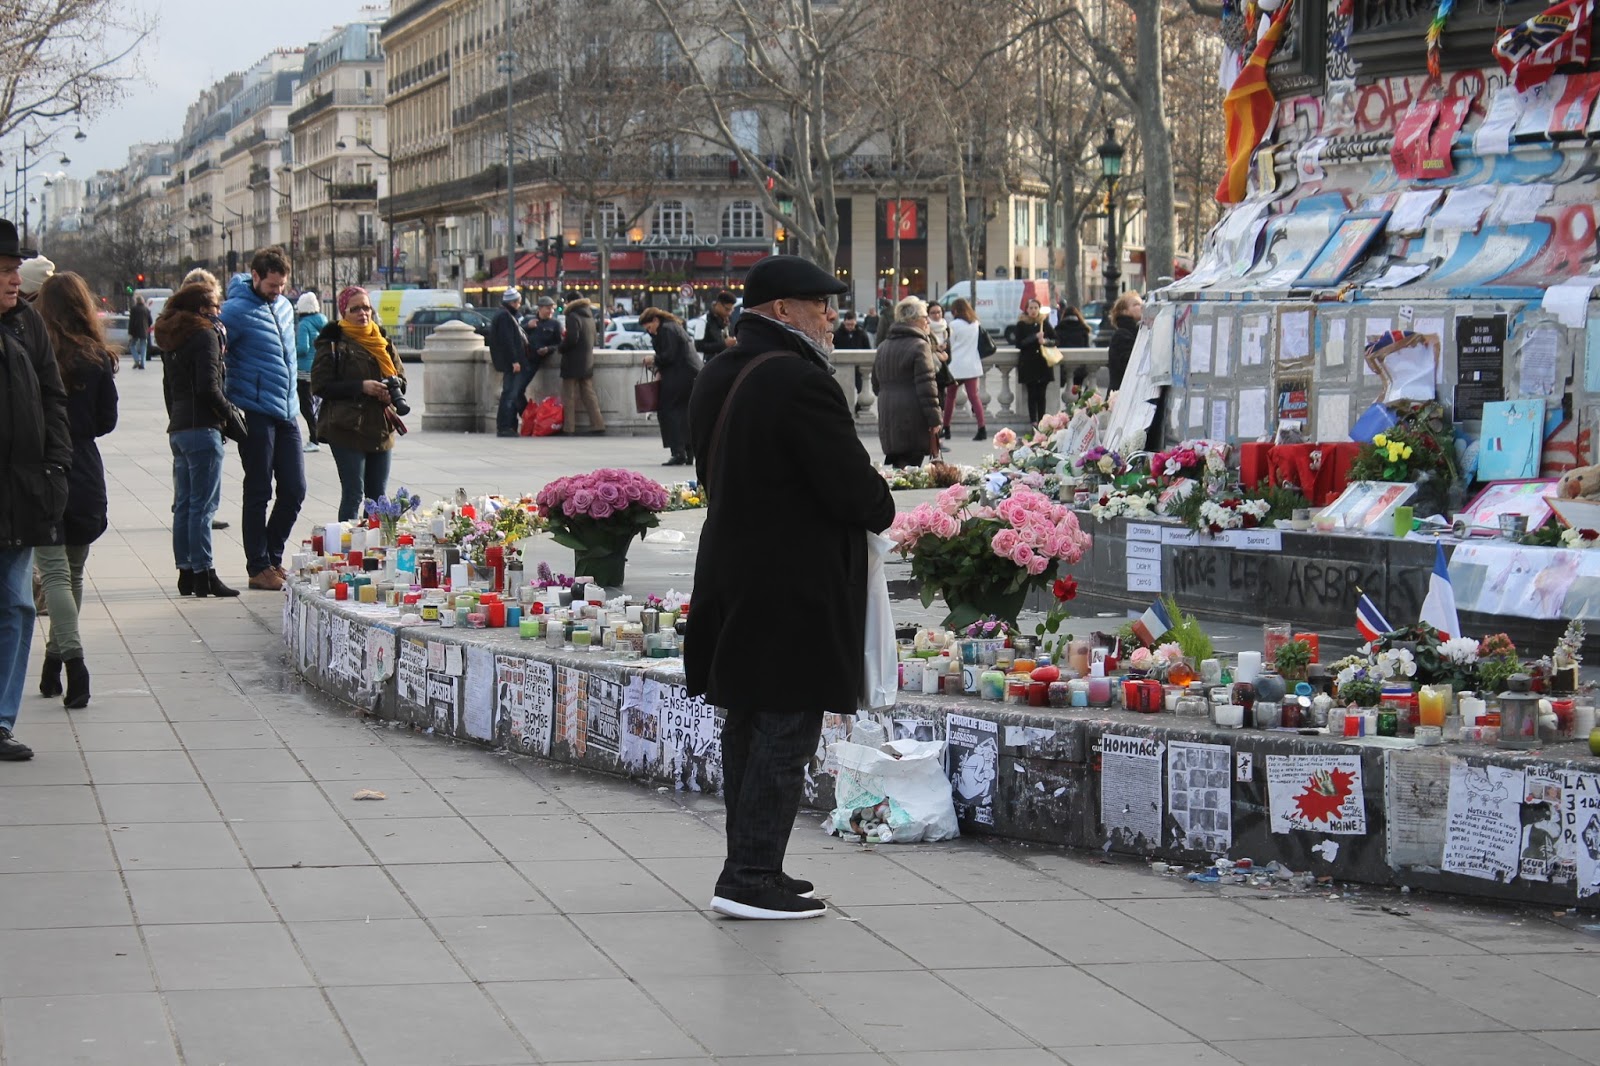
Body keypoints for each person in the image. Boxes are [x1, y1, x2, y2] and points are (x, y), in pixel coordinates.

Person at [687, 254, 895, 920]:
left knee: (749, 720)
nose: (832, 317)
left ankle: (752, 867)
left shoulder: (720, 370)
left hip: (733, 568)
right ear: (782, 310)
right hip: (792, 582)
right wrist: (882, 502)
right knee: (786, 726)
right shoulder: (799, 380)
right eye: (821, 305)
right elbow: (853, 488)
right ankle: (750, 877)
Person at [0, 219, 73, 761]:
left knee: (17, 605)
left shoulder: (28, 324)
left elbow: (53, 396)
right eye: (4, 271)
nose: (13, 280)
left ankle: (1, 721)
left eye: (13, 270)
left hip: (23, 490)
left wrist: (56, 468)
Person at [34, 272, 120, 709]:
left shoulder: (35, 353)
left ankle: (74, 665)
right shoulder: (96, 356)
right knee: (73, 573)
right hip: (84, 468)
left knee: (54, 575)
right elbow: (107, 420)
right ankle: (54, 666)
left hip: (43, 469)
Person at [220, 246, 304, 592]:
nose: (277, 291)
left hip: (287, 410)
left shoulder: (284, 306)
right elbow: (214, 352)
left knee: (295, 489)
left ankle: (272, 556)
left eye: (282, 285)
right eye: (271, 285)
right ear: (254, 276)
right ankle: (258, 566)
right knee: (258, 489)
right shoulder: (234, 311)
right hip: (254, 410)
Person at [158, 283, 239, 599]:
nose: (219, 312)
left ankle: (187, 573)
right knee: (203, 507)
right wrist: (230, 414)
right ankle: (205, 573)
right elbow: (209, 386)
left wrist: (177, 419)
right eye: (216, 306)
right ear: (203, 309)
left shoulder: (173, 336)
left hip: (179, 429)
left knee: (184, 505)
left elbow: (169, 388)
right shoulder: (205, 335)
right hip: (203, 427)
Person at [311, 287, 405, 521]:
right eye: (355, 309)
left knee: (378, 498)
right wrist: (361, 386)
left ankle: (374, 542)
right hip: (346, 427)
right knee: (354, 493)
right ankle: (346, 542)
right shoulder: (333, 343)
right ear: (344, 312)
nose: (363, 313)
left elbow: (401, 379)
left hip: (380, 427)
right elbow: (320, 385)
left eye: (366, 307)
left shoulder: (382, 340)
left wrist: (391, 392)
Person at [872, 297, 943, 467]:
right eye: (925, 317)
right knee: (911, 468)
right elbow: (927, 386)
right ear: (914, 319)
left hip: (888, 413)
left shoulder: (883, 346)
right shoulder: (919, 345)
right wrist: (935, 420)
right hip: (912, 415)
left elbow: (875, 385)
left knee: (899, 468)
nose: (928, 321)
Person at [639, 307, 701, 466]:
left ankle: (678, 452)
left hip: (679, 376)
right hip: (689, 375)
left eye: (649, 327)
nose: (650, 332)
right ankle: (689, 451)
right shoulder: (673, 327)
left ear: (655, 320)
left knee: (669, 412)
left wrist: (653, 359)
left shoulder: (666, 330)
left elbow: (668, 355)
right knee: (684, 413)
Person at [559, 295, 606, 435]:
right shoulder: (589, 316)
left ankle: (569, 428)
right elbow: (594, 339)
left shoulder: (572, 316)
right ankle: (598, 424)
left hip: (572, 361)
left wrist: (561, 347)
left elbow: (572, 338)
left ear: (570, 302)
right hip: (587, 361)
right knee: (589, 394)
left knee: (569, 395)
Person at [943, 296, 988, 441]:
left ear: (955, 310)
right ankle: (982, 428)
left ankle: (946, 427)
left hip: (956, 365)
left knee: (950, 397)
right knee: (974, 397)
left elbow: (950, 343)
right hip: (972, 365)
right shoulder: (975, 323)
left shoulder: (953, 325)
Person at [490, 288, 531, 437]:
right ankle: (505, 427)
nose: (519, 305)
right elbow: (507, 341)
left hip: (509, 361)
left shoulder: (503, 314)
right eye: (518, 302)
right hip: (511, 363)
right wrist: (514, 361)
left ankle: (510, 425)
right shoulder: (505, 316)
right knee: (509, 394)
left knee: (511, 393)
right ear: (513, 302)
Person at [294, 292, 327, 450]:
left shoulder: (304, 324)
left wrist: (290, 350)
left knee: (306, 406)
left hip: (304, 370)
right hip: (319, 367)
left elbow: (302, 348)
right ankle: (319, 435)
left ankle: (314, 439)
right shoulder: (323, 321)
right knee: (316, 404)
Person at [1014, 296, 1052, 424]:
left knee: (1042, 395)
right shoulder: (1021, 324)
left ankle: (1042, 421)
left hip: (1043, 363)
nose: (1033, 311)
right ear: (1026, 310)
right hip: (1028, 364)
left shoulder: (1044, 323)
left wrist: (1045, 341)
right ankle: (1033, 421)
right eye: (1031, 308)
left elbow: (1056, 339)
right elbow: (1019, 343)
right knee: (1032, 394)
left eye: (1036, 308)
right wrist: (1034, 337)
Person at [523, 295, 563, 411]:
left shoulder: (555, 324)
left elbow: (559, 344)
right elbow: (518, 333)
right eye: (548, 308)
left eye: (552, 309)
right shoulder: (529, 320)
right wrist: (527, 326)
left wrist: (548, 349)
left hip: (536, 361)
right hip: (524, 359)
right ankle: (525, 413)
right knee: (517, 390)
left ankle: (527, 414)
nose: (551, 311)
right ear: (540, 309)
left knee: (519, 388)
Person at [1106, 290, 1144, 392]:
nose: (1142, 306)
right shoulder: (1122, 335)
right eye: (1136, 304)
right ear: (1124, 311)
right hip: (1122, 393)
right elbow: (1131, 365)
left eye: (1142, 303)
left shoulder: (1139, 332)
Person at [1054, 303, 1092, 390]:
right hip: (1080, 365)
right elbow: (1086, 347)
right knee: (1076, 389)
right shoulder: (1083, 329)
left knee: (1068, 389)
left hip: (1063, 365)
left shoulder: (1059, 329)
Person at [695, 290, 737, 362]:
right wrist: (724, 344)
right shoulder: (703, 321)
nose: (729, 313)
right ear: (718, 304)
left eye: (731, 310)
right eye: (727, 309)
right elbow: (698, 346)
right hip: (707, 363)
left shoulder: (728, 320)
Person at [127, 294, 151, 370]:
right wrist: (146, 327)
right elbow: (150, 320)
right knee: (143, 346)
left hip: (135, 330)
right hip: (144, 330)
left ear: (136, 301)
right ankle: (143, 363)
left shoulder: (133, 309)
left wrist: (130, 332)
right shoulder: (146, 309)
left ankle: (136, 359)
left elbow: (131, 321)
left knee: (132, 345)